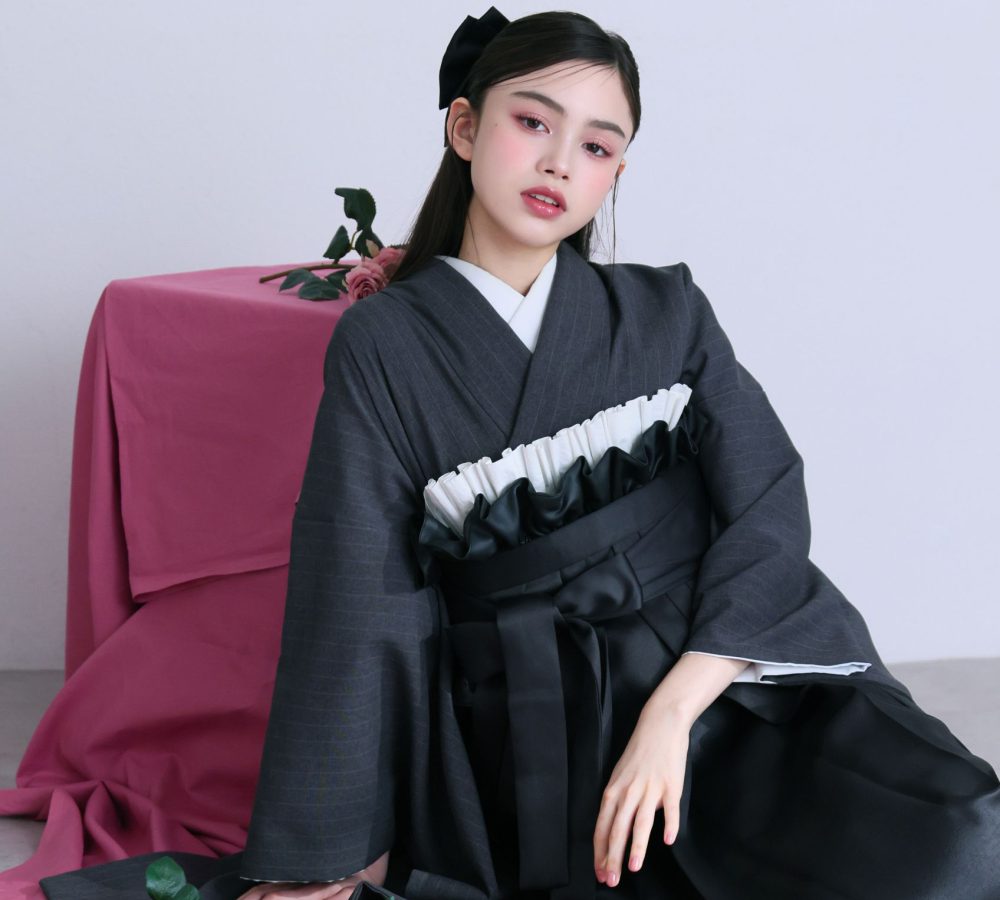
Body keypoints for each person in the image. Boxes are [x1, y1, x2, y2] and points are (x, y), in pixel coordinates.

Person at [38, 7, 1000, 900]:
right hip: (545, 729)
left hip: (722, 671)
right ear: (464, 128)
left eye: (596, 146)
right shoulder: (386, 344)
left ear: (616, 174)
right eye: (532, 122)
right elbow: (357, 596)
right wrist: (328, 854)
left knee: (960, 834)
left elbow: (768, 501)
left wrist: (674, 712)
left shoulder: (666, 310)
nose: (559, 163)